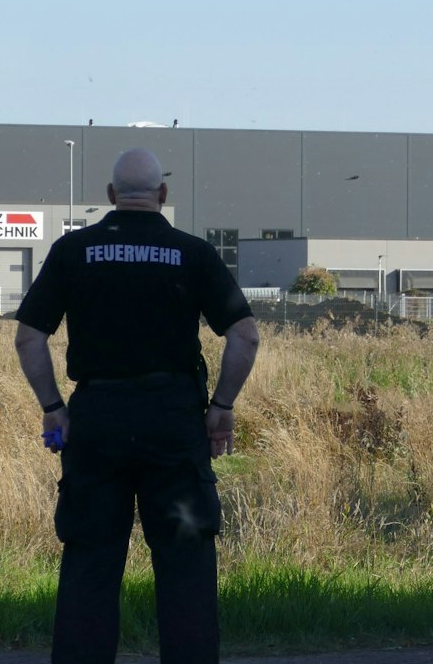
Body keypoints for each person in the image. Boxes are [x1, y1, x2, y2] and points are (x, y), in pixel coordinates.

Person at [15, 148, 261, 664]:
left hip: (96, 423)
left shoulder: (73, 250)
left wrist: (54, 408)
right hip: (174, 426)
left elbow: (29, 338)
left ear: (110, 196)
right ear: (163, 195)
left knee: (90, 560)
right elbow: (244, 335)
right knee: (186, 563)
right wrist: (221, 407)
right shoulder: (192, 253)